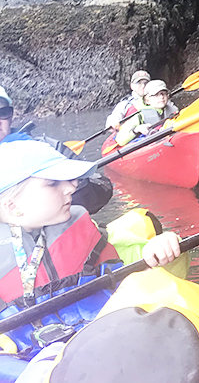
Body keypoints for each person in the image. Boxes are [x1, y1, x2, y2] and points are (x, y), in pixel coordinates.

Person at [0, 140, 180, 380]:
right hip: (25, 362)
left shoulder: (89, 230)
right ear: (12, 206)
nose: (72, 186)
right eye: (53, 183)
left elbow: (158, 276)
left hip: (108, 339)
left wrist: (163, 247)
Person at [0, 87, 112, 216]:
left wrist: (61, 190)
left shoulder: (47, 149)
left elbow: (101, 188)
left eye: (2, 112)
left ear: (10, 116)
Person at [111, 80, 178, 149]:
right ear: (147, 100)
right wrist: (136, 129)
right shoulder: (140, 116)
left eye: (163, 93)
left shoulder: (174, 110)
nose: (161, 97)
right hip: (152, 149)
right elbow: (120, 140)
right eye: (156, 94)